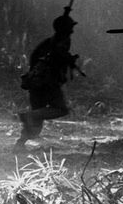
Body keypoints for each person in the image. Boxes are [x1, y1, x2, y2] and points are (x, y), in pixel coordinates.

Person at [15, 13, 80, 150]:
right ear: (64, 29)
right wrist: (68, 60)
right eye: (69, 28)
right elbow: (58, 56)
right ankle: (28, 116)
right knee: (60, 109)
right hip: (48, 83)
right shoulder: (60, 41)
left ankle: (20, 144)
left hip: (37, 82)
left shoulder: (50, 43)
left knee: (36, 121)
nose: (72, 31)